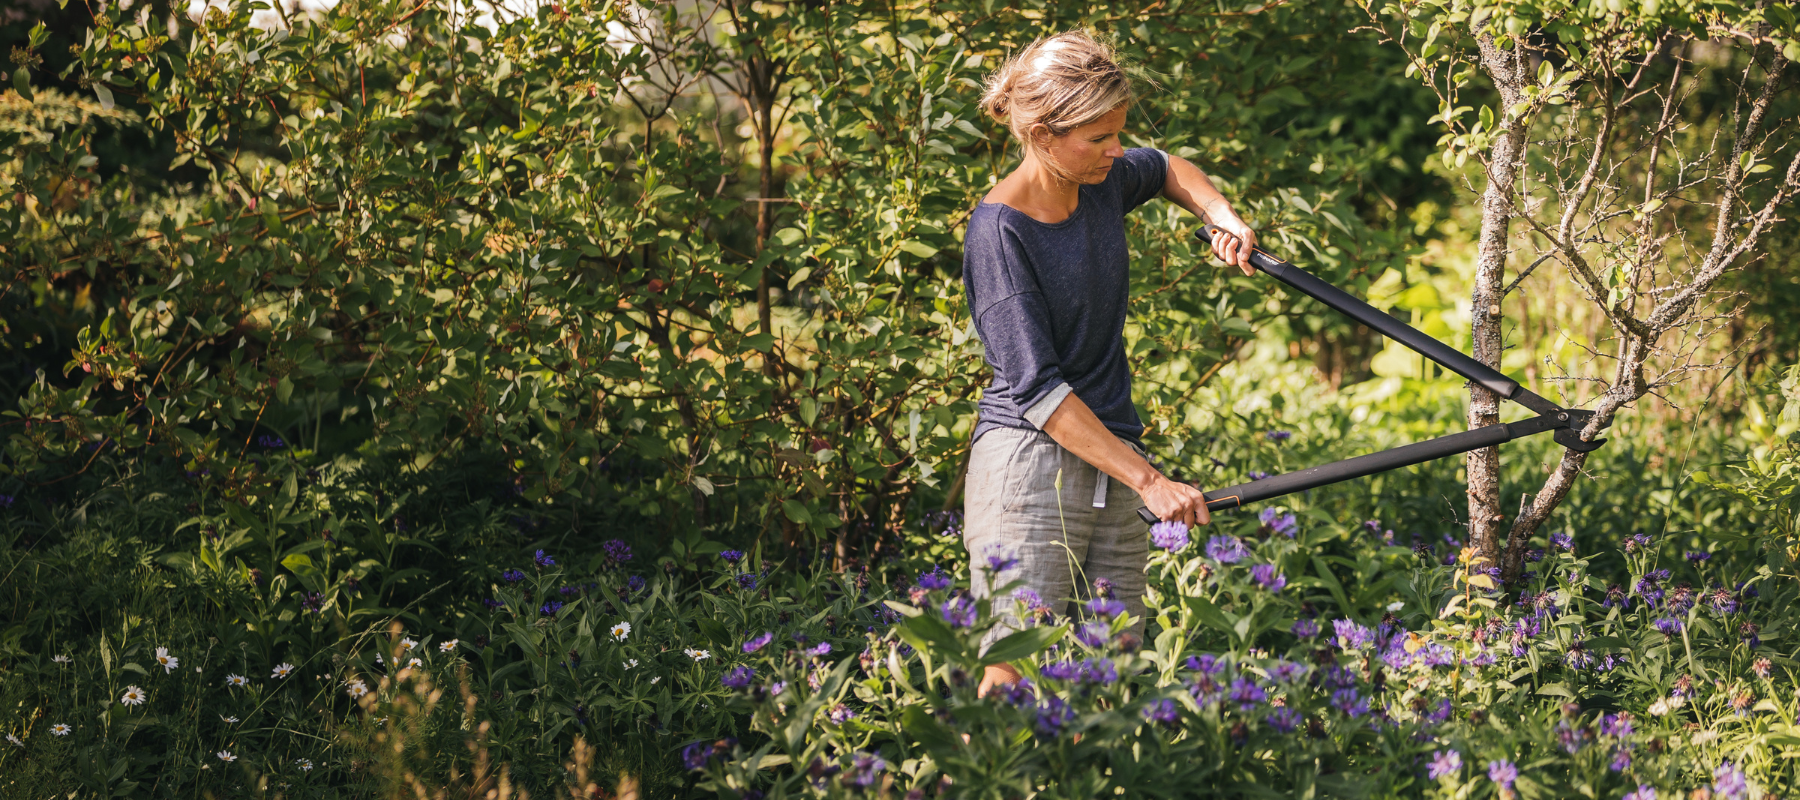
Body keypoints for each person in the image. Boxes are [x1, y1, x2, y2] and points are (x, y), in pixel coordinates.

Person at [960, 30, 1258, 695]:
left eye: (1117, 133)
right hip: (1029, 464)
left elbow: (1168, 166)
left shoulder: (1097, 181)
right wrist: (1151, 482)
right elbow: (1038, 392)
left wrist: (1221, 214)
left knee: (1111, 674)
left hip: (1114, 455)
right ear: (1042, 134)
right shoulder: (1000, 234)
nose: (1117, 150)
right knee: (1013, 670)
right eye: (1099, 137)